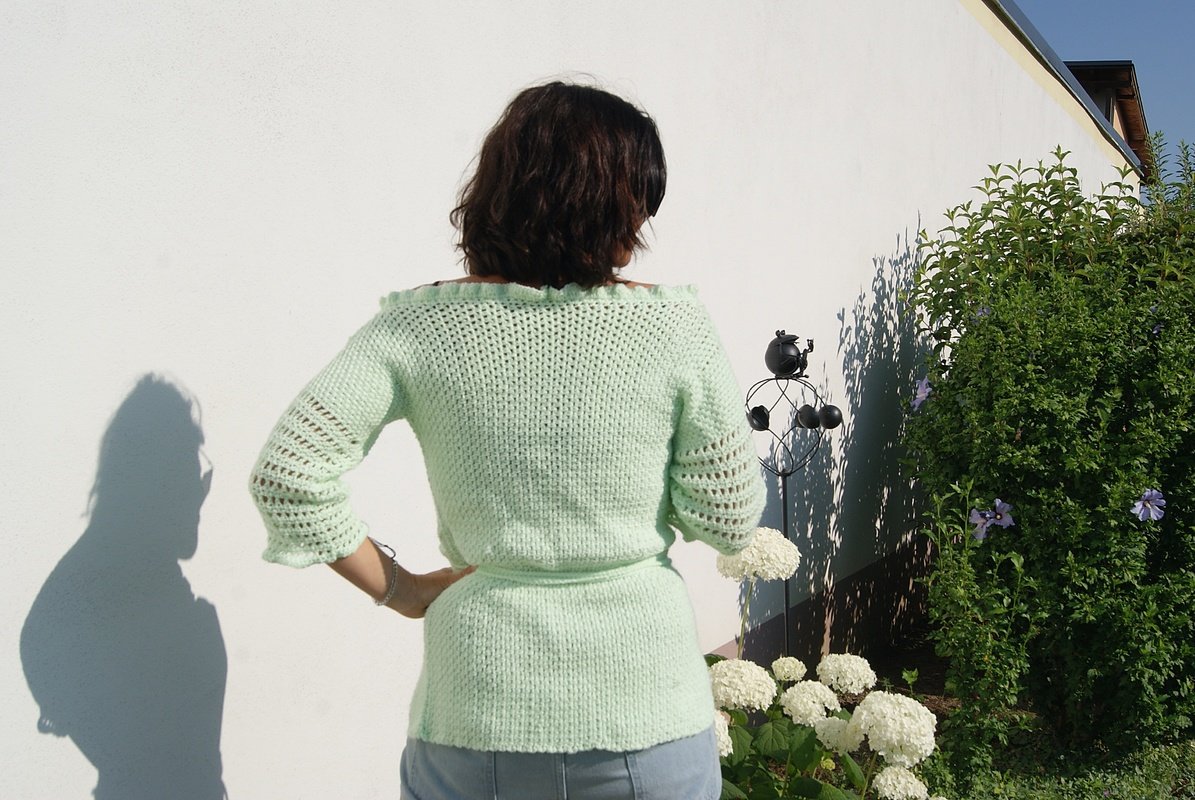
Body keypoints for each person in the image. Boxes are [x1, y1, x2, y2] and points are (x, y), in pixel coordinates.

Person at [249, 81, 765, 800]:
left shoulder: (414, 327)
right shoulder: (672, 326)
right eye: (639, 204)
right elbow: (729, 519)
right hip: (644, 715)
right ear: (612, 205)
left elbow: (288, 476)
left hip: (474, 718)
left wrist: (403, 590)